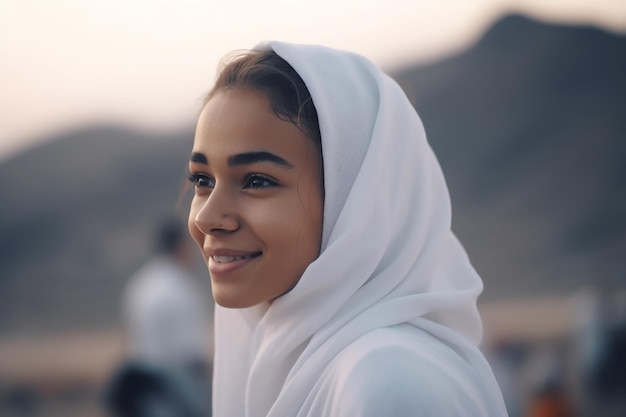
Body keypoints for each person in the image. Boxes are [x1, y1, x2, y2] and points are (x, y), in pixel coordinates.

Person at [187, 42, 508, 417]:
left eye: (256, 181)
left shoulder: (388, 384)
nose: (207, 217)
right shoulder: (304, 363)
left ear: (357, 202)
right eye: (202, 179)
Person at [106, 217, 212, 416]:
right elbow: (191, 350)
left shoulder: (139, 283)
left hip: (143, 383)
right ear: (179, 246)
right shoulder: (180, 286)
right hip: (176, 384)